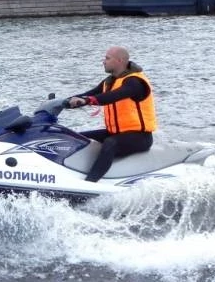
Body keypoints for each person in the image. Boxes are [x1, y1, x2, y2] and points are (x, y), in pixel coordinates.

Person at [67, 46, 157, 182]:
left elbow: (114, 96)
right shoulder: (110, 81)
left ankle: (90, 182)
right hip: (115, 133)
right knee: (76, 138)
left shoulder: (135, 82)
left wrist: (88, 101)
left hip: (140, 137)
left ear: (120, 60)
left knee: (110, 143)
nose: (103, 61)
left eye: (107, 58)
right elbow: (89, 94)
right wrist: (64, 102)